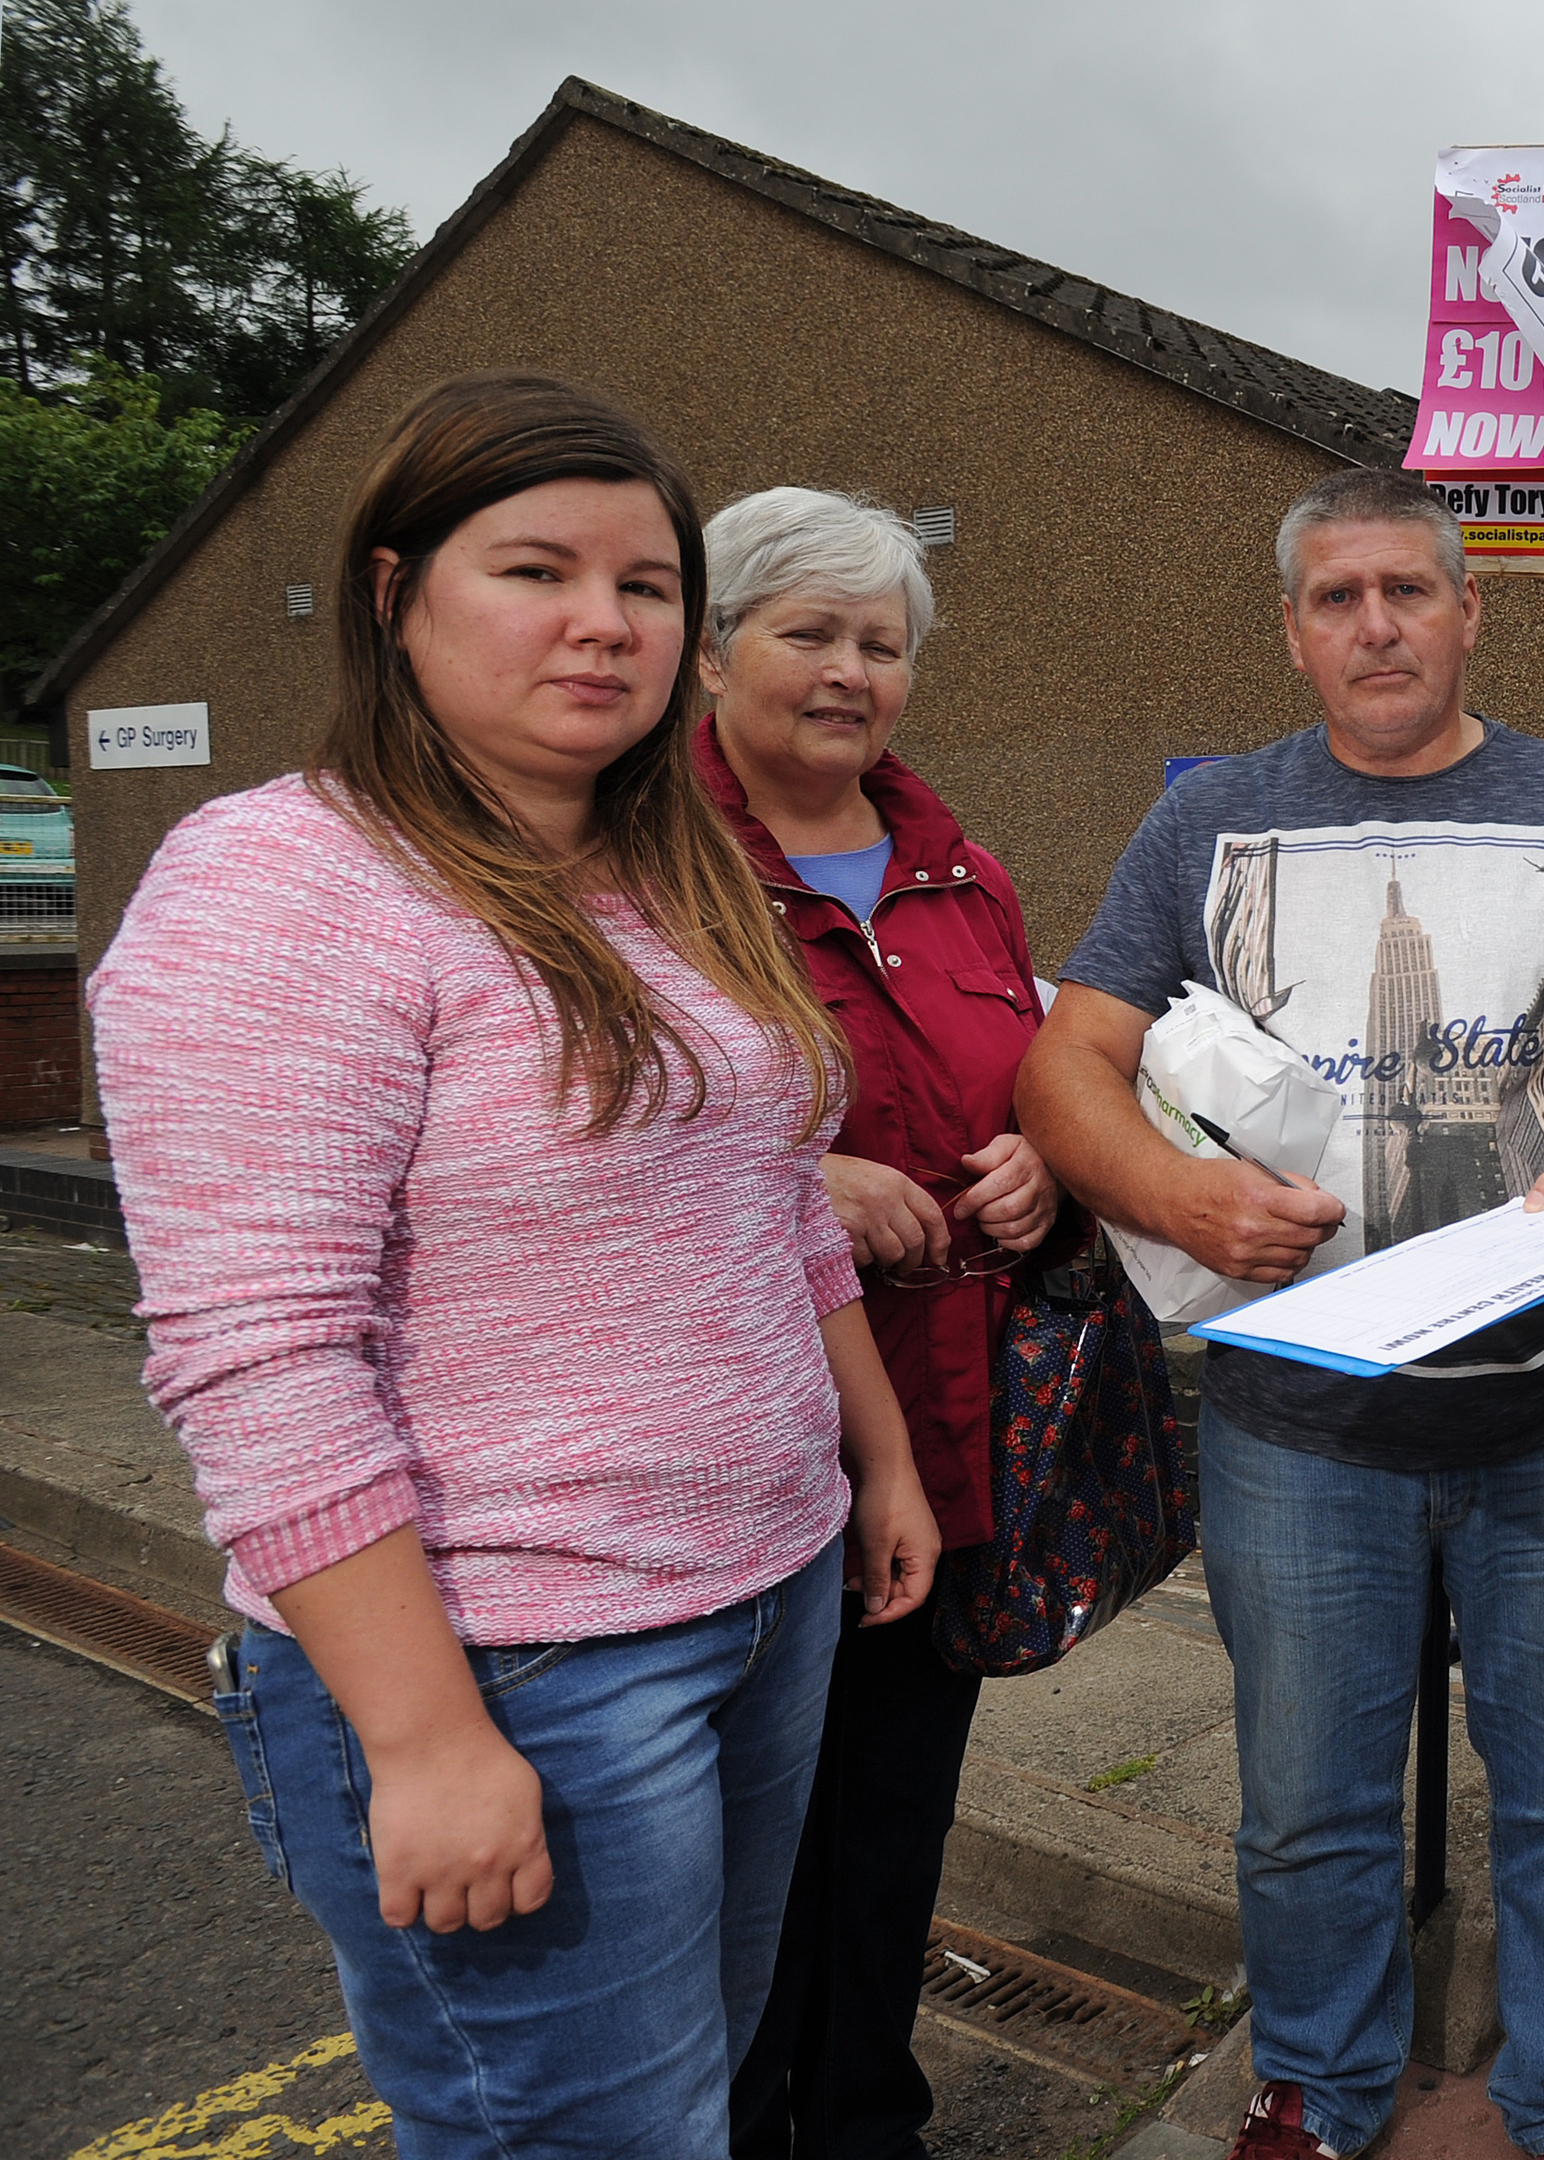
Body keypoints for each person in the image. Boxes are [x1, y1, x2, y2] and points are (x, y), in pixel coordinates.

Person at [87, 373, 940, 2158]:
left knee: (691, 2105)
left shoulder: (669, 866)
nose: (603, 623)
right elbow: (260, 1354)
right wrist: (422, 1740)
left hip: (765, 1599)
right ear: (396, 594)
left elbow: (774, 1196)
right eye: (536, 569)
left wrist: (875, 1459)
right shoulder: (281, 885)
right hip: (523, 1657)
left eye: (646, 587)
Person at [1021, 467, 1544, 2160]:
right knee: (1303, 1811)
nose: (1376, 624)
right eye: (1337, 598)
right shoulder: (1208, 820)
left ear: (1470, 610)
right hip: (1299, 1427)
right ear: (1291, 629)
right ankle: (1319, 2087)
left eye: (1408, 590)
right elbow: (1070, 1054)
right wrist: (1169, 1194)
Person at [695, 487, 1068, 2160]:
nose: (849, 673)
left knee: (892, 1826)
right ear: (710, 654)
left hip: (951, 1427)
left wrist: (1039, 1160)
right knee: (740, 1853)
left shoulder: (960, 868)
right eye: (809, 633)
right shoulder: (648, 867)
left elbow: (1036, 1066)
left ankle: (865, 2123)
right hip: (754, 1442)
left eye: (882, 643)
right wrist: (799, 1179)